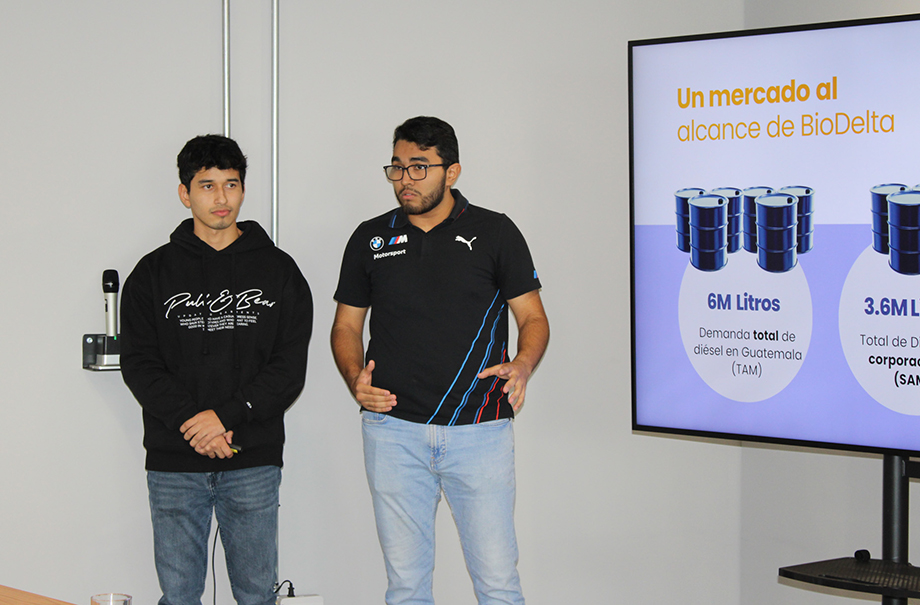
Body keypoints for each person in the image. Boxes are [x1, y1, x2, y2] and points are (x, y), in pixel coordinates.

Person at [331, 116, 549, 605]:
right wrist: (354, 379)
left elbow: (533, 318)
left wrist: (523, 364)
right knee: (406, 587)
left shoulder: (495, 231)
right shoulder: (369, 237)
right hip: (392, 432)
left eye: (419, 168)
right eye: (397, 168)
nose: (405, 180)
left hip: (480, 430)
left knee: (496, 581)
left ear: (452, 173)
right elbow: (346, 327)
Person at [120, 134, 313, 605]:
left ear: (244, 190)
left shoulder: (280, 271)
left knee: (255, 594)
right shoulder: (151, 273)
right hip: (173, 461)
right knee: (179, 595)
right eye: (207, 186)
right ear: (185, 193)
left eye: (231, 184)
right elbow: (140, 365)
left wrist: (225, 416)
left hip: (253, 458)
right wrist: (196, 423)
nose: (221, 198)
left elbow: (288, 367)